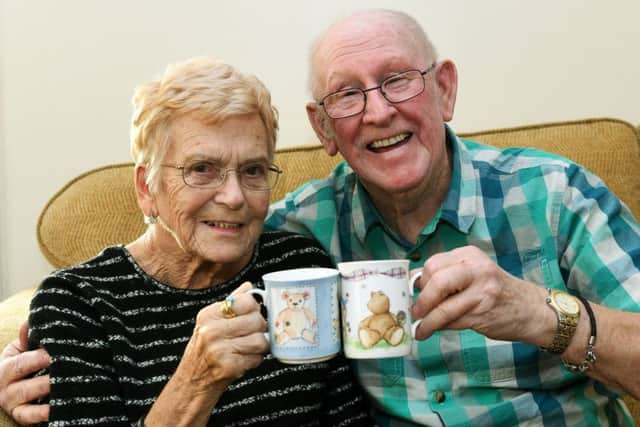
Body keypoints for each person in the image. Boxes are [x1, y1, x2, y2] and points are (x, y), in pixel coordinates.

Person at [2, 7, 640, 427]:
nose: (233, 198)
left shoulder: (556, 194)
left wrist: (541, 314)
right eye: (347, 94)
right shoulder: (294, 247)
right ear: (324, 127)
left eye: (399, 80)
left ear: (444, 88)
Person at [0, 56, 372, 426]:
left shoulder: (301, 271)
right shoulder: (78, 306)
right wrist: (196, 382)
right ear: (147, 187)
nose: (234, 196)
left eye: (253, 170)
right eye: (201, 169)